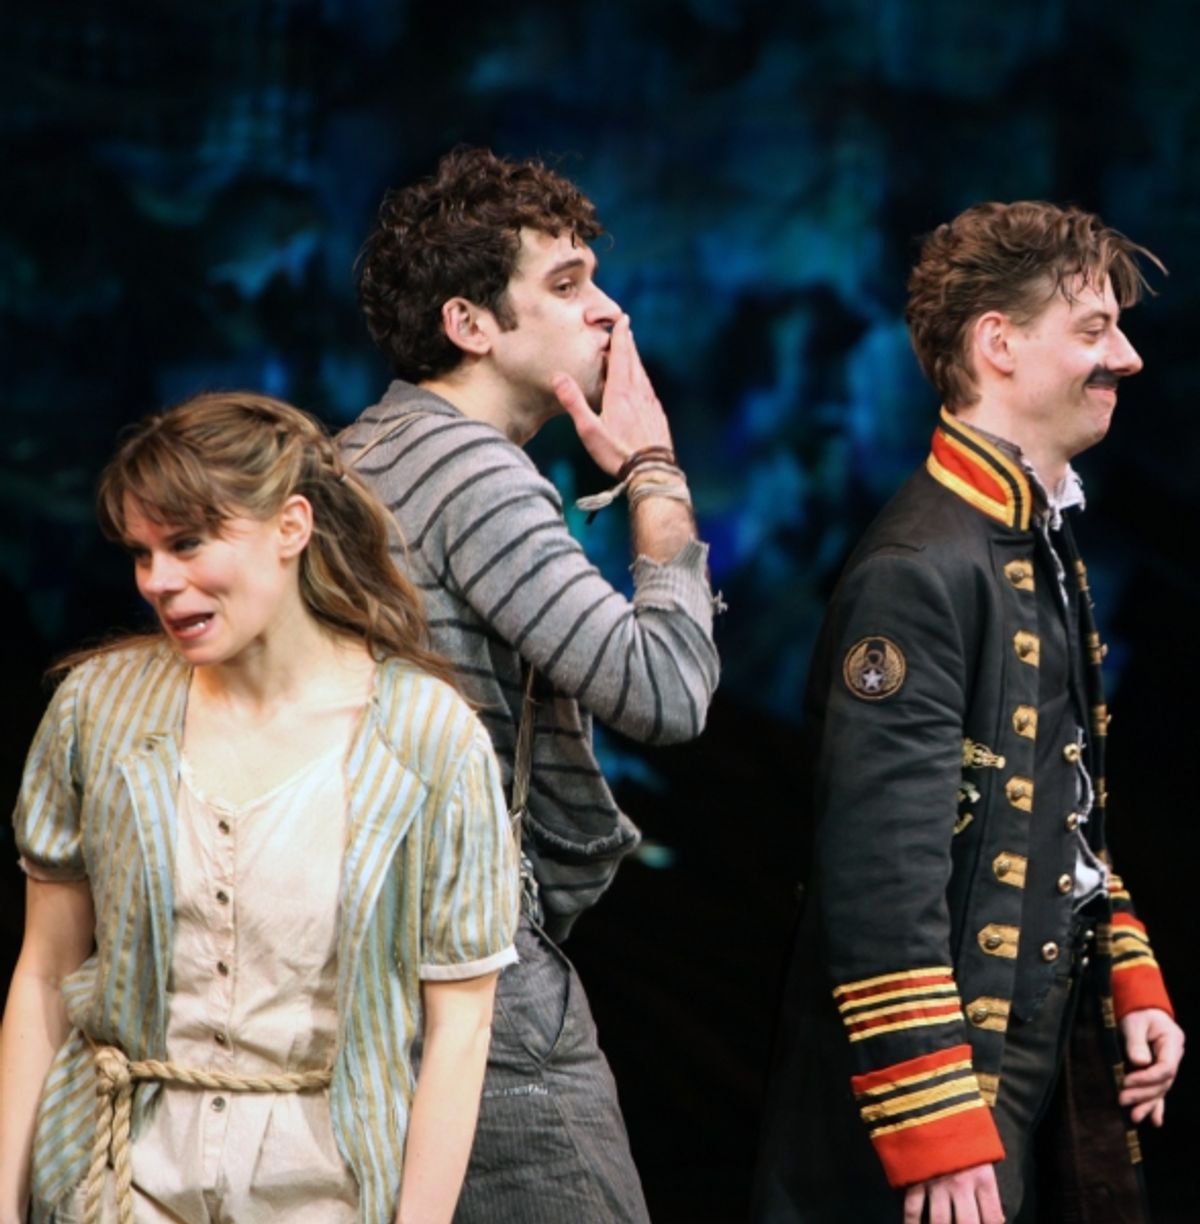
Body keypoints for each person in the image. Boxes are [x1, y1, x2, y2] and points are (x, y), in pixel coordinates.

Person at [752, 202, 1185, 1224]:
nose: (1125, 358)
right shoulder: (920, 568)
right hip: (931, 1116)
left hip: (1019, 1079)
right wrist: (937, 1127)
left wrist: (1125, 966)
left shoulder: (1032, 539)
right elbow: (879, 876)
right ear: (999, 344)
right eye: (1094, 330)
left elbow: (1057, 801)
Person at [0, 392, 520, 1224]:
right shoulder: (98, 711)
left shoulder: (425, 738)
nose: (158, 580)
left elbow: (462, 1029)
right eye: (142, 553)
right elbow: (45, 973)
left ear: (291, 526)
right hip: (117, 1187)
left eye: (187, 543)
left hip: (323, 1196)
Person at [341, 147, 721, 1221]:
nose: (609, 311)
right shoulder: (470, 470)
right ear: (470, 324)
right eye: (566, 284)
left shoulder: (363, 448)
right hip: (474, 970)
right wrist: (652, 472)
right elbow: (666, 692)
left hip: (373, 958)